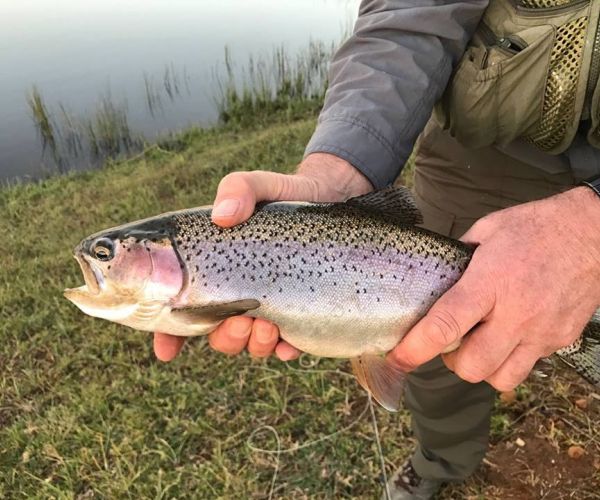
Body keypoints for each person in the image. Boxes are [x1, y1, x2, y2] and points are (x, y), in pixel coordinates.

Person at [153, 1, 600, 498]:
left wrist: (588, 232)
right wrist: (339, 171)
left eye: (107, 254)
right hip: (482, 147)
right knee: (432, 350)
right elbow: (408, 18)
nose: (100, 263)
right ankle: (441, 461)